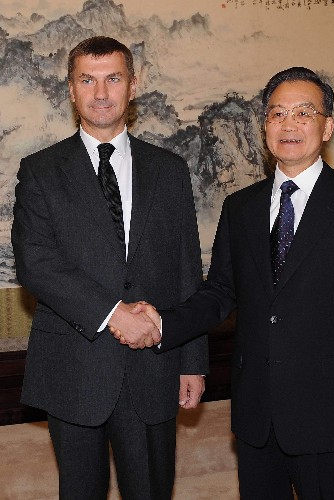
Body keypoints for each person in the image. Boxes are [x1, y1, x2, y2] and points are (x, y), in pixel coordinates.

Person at [118, 67, 334, 498]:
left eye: (304, 113)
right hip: (256, 413)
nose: (289, 124)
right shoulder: (241, 207)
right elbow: (219, 293)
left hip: (329, 412)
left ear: (327, 127)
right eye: (277, 113)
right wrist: (163, 323)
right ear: (264, 126)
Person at [11, 36, 208, 500]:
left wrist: (193, 361)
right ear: (71, 89)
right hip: (72, 368)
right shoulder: (40, 170)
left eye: (113, 79)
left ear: (132, 86)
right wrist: (114, 313)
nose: (101, 93)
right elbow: (36, 261)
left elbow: (186, 269)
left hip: (153, 366)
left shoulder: (169, 170)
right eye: (88, 80)